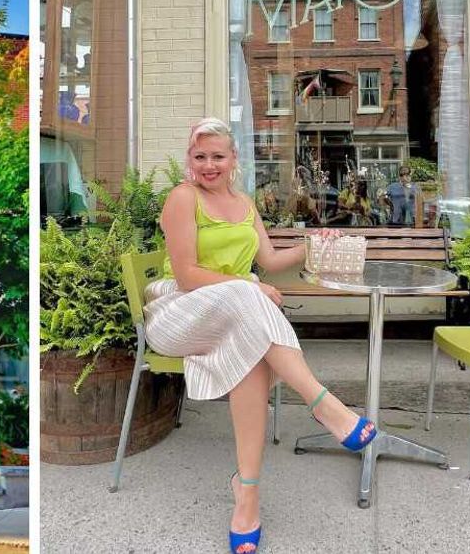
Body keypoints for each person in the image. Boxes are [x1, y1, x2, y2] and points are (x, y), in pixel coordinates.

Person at [144, 117, 379, 553]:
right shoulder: (183, 198)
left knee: (253, 352)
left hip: (234, 313)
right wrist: (247, 286)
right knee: (249, 293)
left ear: (234, 160)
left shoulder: (244, 204)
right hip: (179, 311)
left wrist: (312, 243)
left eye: (218, 156)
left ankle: (246, 491)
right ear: (189, 161)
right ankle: (323, 404)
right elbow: (187, 274)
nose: (209, 164)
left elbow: (268, 260)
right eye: (200, 157)